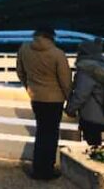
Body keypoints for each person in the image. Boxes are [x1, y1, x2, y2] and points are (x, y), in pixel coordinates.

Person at [16, 26, 72, 180]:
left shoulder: (24, 49)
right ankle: (47, 169)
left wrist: (28, 86)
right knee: (51, 134)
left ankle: (38, 168)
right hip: (54, 99)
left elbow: (20, 72)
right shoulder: (57, 54)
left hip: (36, 97)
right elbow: (65, 81)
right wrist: (70, 99)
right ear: (51, 36)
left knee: (41, 132)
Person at [65, 38, 104, 147]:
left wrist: (70, 108)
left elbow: (81, 94)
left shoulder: (86, 70)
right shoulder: (103, 68)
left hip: (90, 114)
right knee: (96, 142)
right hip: (102, 113)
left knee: (92, 144)